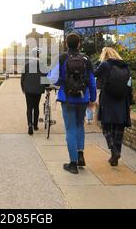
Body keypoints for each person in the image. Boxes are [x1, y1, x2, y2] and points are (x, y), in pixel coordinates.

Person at [47, 33, 96, 174]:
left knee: (70, 129)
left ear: (66, 44)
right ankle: (80, 155)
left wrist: (60, 82)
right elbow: (92, 81)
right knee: (80, 124)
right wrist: (92, 98)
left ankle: (73, 164)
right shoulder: (86, 59)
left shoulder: (62, 58)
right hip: (83, 98)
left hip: (67, 98)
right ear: (79, 44)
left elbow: (54, 79)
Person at [94, 47, 134, 167]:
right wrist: (130, 101)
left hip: (108, 99)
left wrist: (97, 64)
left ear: (104, 54)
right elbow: (130, 84)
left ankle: (113, 150)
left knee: (106, 127)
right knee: (119, 129)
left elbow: (94, 73)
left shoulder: (105, 64)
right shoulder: (125, 66)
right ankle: (115, 157)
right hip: (122, 100)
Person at [21, 48, 47, 136]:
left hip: (28, 89)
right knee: (36, 106)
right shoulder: (42, 64)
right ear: (38, 55)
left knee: (29, 107)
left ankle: (30, 125)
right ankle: (35, 125)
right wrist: (46, 87)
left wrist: (23, 88)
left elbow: (23, 77)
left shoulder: (27, 64)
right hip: (38, 89)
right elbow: (45, 77)